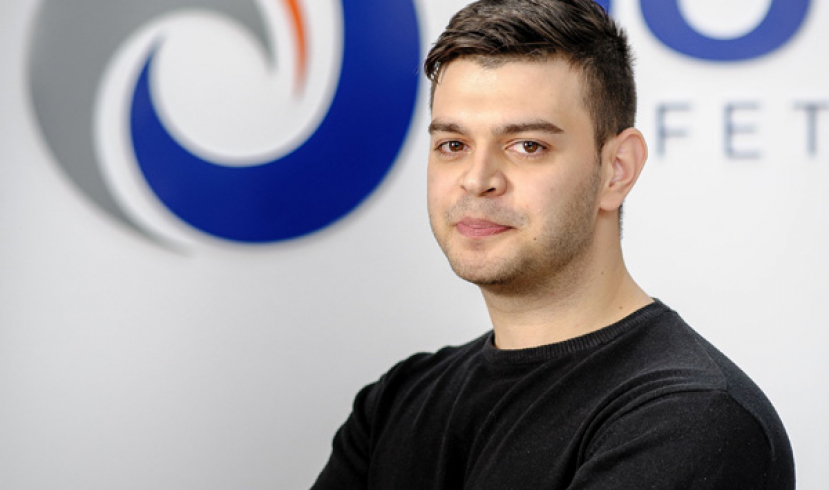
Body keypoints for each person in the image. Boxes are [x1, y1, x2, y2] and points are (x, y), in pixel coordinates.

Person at [312, 0, 795, 488]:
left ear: (617, 169)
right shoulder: (397, 402)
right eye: (453, 145)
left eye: (528, 146)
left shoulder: (693, 419)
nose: (477, 180)